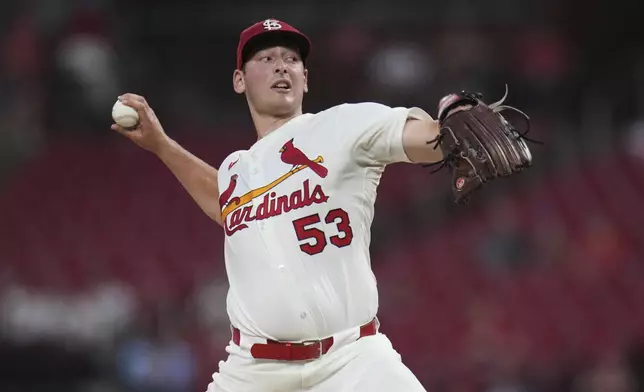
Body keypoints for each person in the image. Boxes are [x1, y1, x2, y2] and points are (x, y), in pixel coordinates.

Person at [112, 18, 448, 392]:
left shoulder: (344, 125)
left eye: (291, 59)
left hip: (354, 361)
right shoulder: (236, 168)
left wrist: (447, 128)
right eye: (266, 58)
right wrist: (161, 144)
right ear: (240, 80)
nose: (281, 66)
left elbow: (424, 136)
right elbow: (225, 203)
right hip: (254, 371)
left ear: (305, 78)